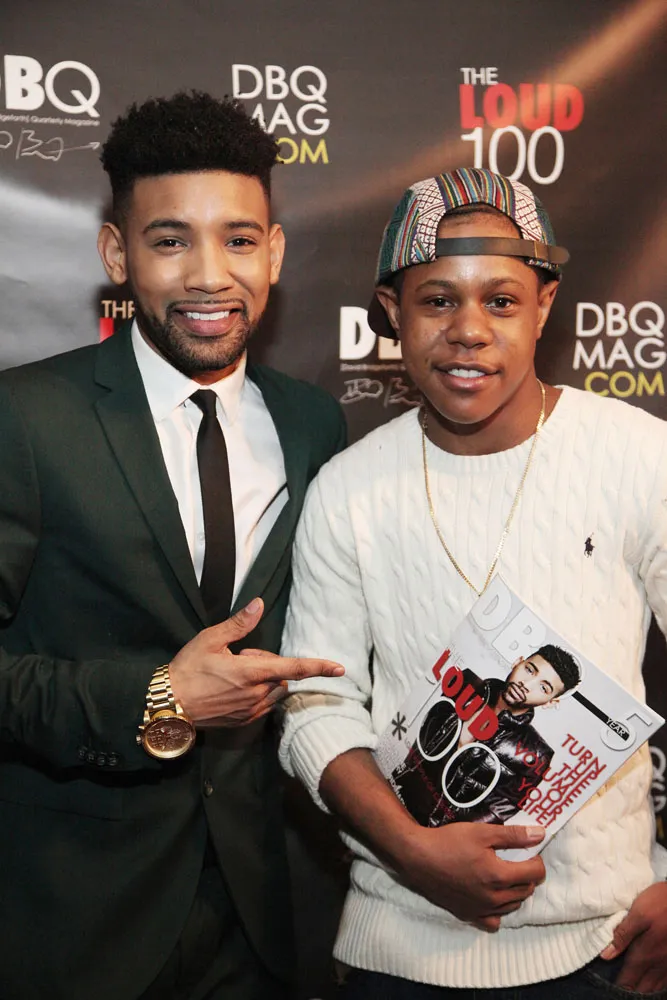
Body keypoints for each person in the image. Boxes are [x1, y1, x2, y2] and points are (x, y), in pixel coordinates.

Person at [279, 167, 667, 997]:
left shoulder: (638, 456)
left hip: (603, 947)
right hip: (397, 950)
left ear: (544, 305)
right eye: (436, 301)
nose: (467, 331)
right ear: (391, 311)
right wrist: (412, 852)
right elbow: (315, 705)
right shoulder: (347, 491)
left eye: (499, 300)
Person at [0, 91, 346, 1000]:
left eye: (238, 240)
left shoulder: (313, 423)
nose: (208, 276)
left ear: (274, 252)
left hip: (261, 922)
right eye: (169, 241)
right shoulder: (25, 418)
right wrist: (159, 698)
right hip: (72, 924)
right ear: (117, 254)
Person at [392, 645, 580, 826]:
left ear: (550, 702)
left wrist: (434, 836)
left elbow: (490, 817)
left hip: (431, 830)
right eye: (529, 670)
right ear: (518, 662)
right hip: (395, 788)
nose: (526, 684)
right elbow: (423, 735)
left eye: (544, 688)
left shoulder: (536, 754)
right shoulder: (466, 683)